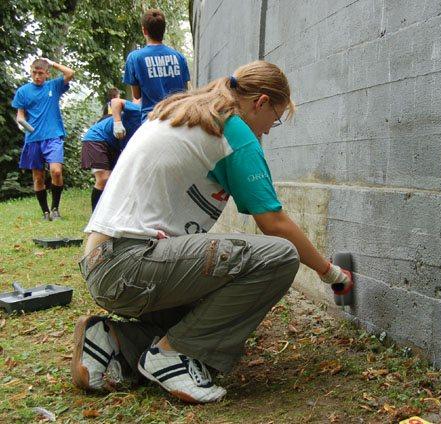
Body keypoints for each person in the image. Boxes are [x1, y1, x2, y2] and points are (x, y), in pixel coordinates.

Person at [72, 60, 353, 403]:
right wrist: (331, 273)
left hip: (104, 262)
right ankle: (173, 356)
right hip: (130, 263)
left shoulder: (181, 113)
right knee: (279, 258)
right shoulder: (232, 131)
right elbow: (274, 223)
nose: (266, 130)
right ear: (261, 102)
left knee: (211, 312)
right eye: (274, 119)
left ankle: (113, 340)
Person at [11, 57, 74, 221]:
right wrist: (21, 121)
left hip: (53, 136)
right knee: (38, 177)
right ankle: (45, 212)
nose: (37, 76)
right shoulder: (23, 91)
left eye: (40, 73)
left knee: (56, 171)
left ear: (47, 74)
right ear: (30, 72)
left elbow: (70, 73)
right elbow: (20, 114)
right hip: (33, 138)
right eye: (34, 72)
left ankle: (55, 208)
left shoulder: (53, 86)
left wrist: (51, 63)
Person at [123, 8, 190, 122]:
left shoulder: (134, 58)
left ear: (144, 31)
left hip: (151, 120)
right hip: (178, 118)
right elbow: (185, 91)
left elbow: (137, 95)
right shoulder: (179, 57)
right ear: (164, 30)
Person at [81, 98, 142, 210]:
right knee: (103, 179)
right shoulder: (139, 109)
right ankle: (95, 217)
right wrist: (117, 123)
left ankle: (110, 213)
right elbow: (115, 101)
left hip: (115, 145)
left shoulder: (155, 122)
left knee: (117, 179)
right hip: (97, 138)